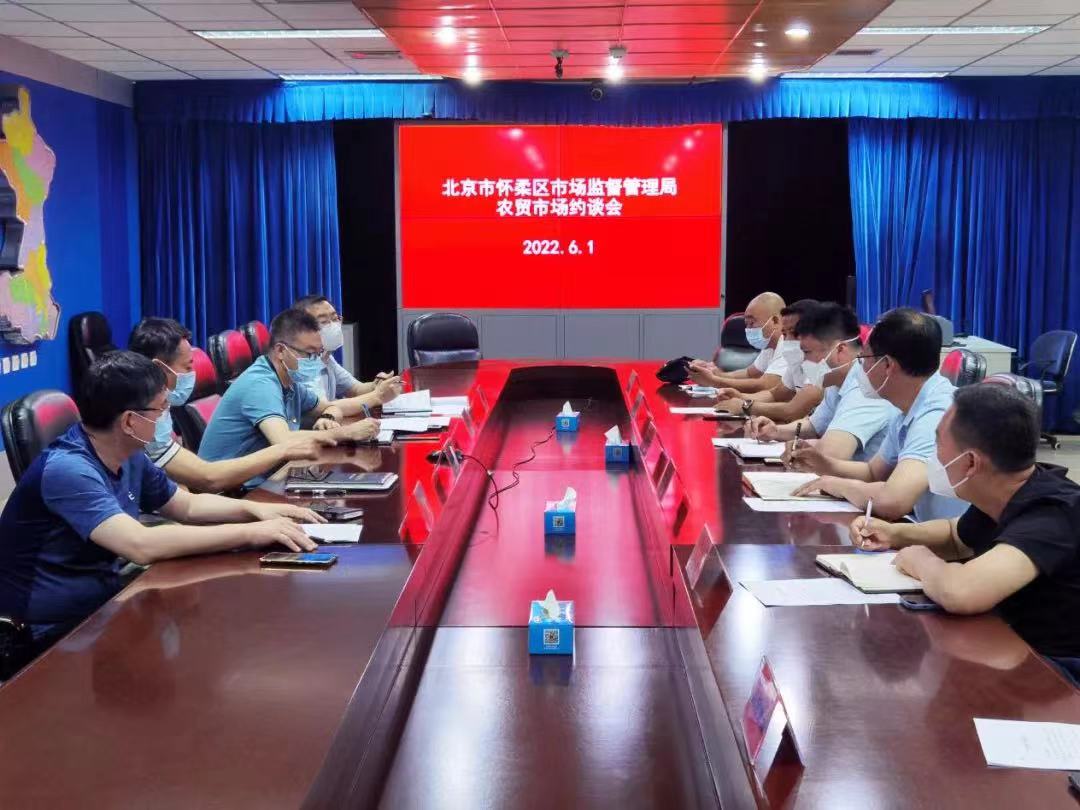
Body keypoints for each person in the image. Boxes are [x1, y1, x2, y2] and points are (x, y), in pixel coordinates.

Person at [0, 352, 322, 660]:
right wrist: (252, 533)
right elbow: (141, 545)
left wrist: (255, 511)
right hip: (52, 632)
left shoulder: (128, 454)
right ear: (130, 421)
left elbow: (187, 506)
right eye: (160, 408)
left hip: (102, 603)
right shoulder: (68, 469)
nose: (166, 415)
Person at [848, 384, 1080, 685]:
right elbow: (956, 537)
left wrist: (919, 559)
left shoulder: (1052, 513)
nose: (933, 457)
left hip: (1057, 678)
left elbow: (961, 592)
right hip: (1011, 649)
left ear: (970, 463)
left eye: (937, 444)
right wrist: (894, 534)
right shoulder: (1005, 490)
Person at [790, 307, 968, 522]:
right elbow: (873, 472)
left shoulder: (937, 415)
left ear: (887, 365)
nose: (860, 366)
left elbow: (893, 501)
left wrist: (837, 485)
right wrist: (824, 464)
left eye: (864, 357)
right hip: (925, 529)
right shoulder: (907, 406)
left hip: (951, 540)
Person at [128, 317, 334, 491]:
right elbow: (208, 477)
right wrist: (283, 449)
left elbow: (184, 498)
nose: (193, 373)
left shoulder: (159, 410)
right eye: (188, 367)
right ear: (159, 369)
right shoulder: (140, 419)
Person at [197, 308, 381, 484]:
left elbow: (329, 406)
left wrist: (328, 416)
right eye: (309, 354)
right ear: (280, 351)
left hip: (270, 476)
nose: (316, 361)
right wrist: (347, 433)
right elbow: (284, 441)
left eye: (318, 353)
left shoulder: (289, 380)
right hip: (235, 489)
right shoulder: (260, 384)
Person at [747, 303, 897, 462]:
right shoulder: (835, 380)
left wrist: (800, 446)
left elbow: (832, 453)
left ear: (840, 350)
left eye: (807, 352)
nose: (803, 360)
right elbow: (814, 427)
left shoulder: (867, 388)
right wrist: (775, 431)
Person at [713, 299, 823, 422]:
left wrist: (745, 406)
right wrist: (740, 397)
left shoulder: (823, 365)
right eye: (785, 334)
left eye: (795, 333)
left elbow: (792, 411)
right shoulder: (797, 358)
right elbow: (775, 394)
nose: (787, 340)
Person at [293, 294, 402, 407]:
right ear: (302, 329)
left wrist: (377, 384)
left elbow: (355, 389)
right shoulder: (300, 364)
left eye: (335, 319)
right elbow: (323, 407)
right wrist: (378, 395)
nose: (333, 326)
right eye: (324, 321)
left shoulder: (326, 357)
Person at [689, 292, 787, 394]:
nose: (748, 329)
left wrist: (714, 381)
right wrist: (714, 373)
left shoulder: (787, 344)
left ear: (775, 321)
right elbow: (749, 374)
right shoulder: (770, 346)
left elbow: (765, 385)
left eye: (752, 323)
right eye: (746, 324)